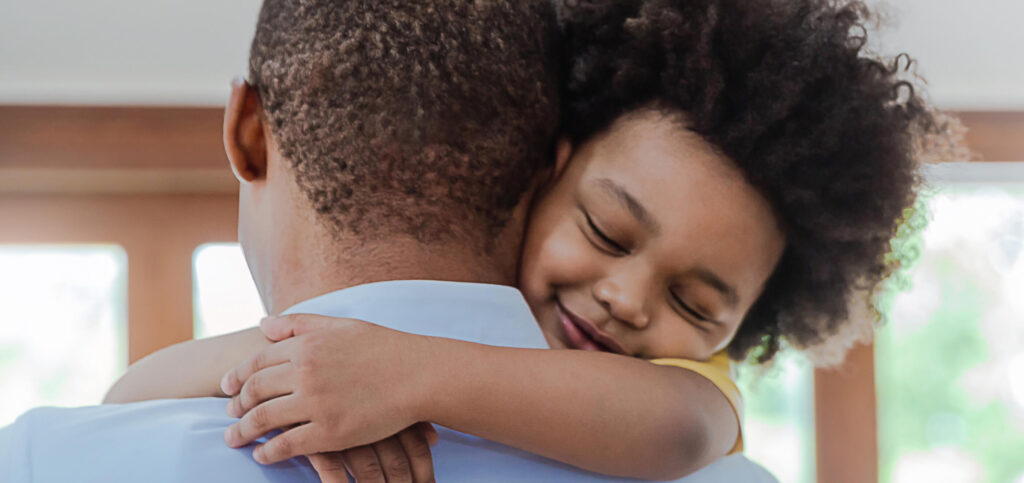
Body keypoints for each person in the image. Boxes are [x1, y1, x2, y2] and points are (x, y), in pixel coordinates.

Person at [101, 0, 958, 481]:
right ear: (542, 175)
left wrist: (405, 373)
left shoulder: (688, 391)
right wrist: (311, 368)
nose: (627, 298)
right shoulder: (383, 343)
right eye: (608, 231)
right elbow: (127, 395)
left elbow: (673, 436)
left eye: (695, 302)